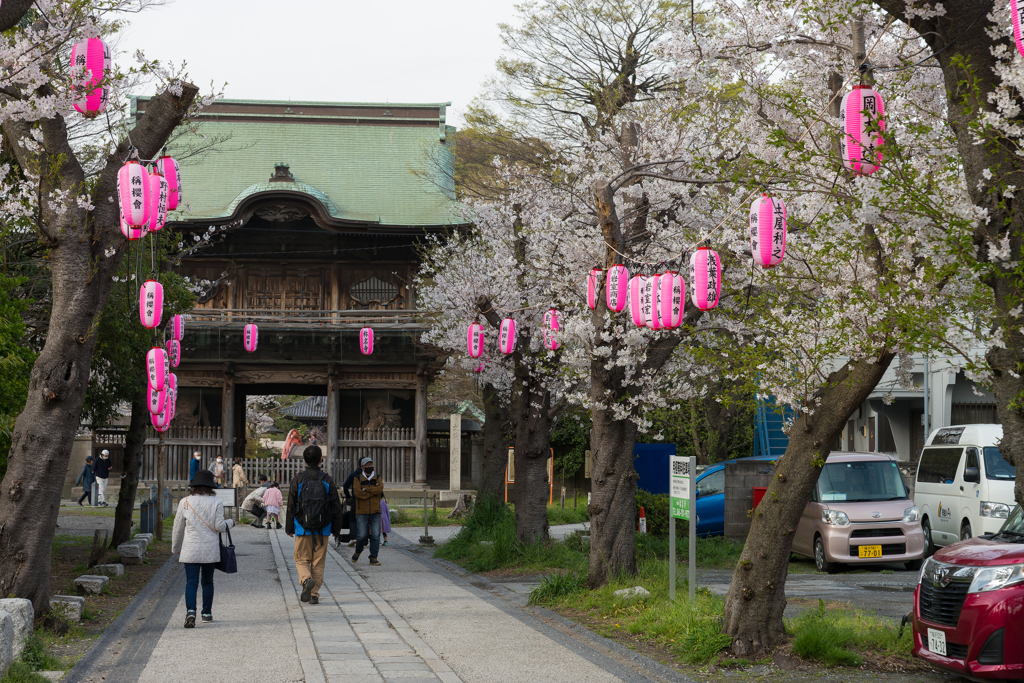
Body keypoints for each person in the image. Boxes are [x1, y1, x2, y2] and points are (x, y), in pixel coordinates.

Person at [171, 468, 234, 628]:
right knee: (207, 582)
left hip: (190, 547)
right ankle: (206, 613)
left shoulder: (185, 502)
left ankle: (190, 612)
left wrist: (175, 547)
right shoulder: (216, 502)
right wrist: (231, 522)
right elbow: (219, 526)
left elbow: (178, 527)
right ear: (210, 485)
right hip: (209, 548)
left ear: (194, 486)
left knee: (191, 582)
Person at [286, 445, 344, 605]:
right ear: (320, 460)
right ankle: (313, 595)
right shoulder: (327, 479)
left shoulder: (298, 479)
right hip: (323, 528)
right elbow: (336, 506)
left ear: (304, 460)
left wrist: (289, 527)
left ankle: (305, 580)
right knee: (318, 563)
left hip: (302, 527)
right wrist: (336, 529)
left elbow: (291, 505)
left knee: (301, 559)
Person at [351, 456, 383, 566]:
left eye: (371, 464)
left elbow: (379, 490)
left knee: (375, 535)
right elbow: (357, 493)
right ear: (362, 467)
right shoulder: (357, 478)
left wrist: (366, 489)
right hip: (361, 511)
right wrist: (371, 493)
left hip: (375, 511)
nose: (370, 466)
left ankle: (373, 557)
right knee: (362, 535)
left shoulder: (377, 477)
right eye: (367, 465)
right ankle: (358, 550)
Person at [342, 464, 362, 546]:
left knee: (353, 519)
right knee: (364, 519)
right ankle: (364, 540)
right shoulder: (369, 475)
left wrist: (348, 495)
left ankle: (353, 537)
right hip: (366, 501)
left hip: (355, 499)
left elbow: (345, 486)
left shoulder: (353, 474)